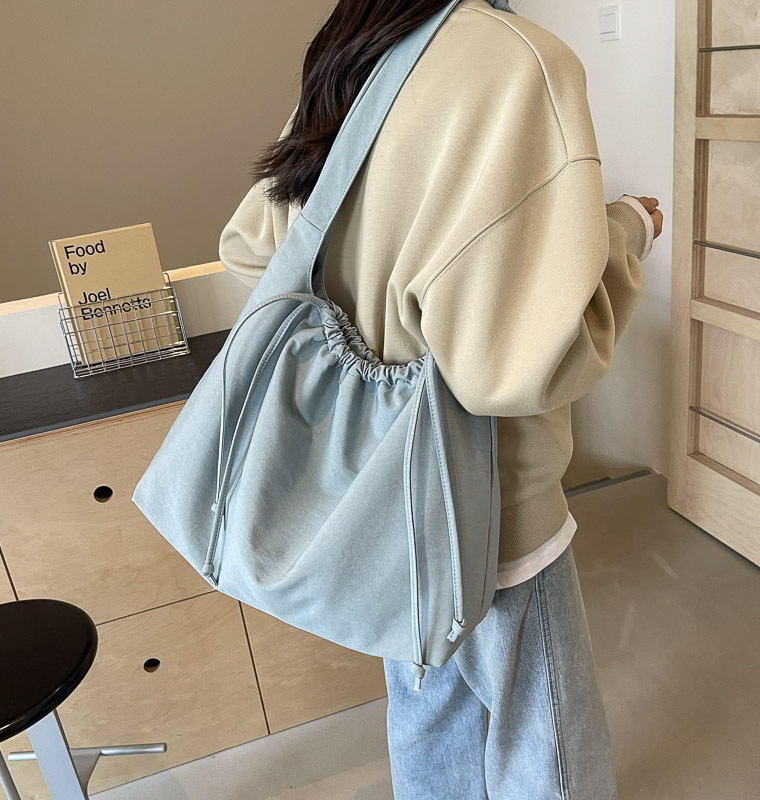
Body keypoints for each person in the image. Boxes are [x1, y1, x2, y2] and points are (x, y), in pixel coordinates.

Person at [218, 0, 663, 797]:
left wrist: (378, 352)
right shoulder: (525, 61)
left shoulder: (359, 45)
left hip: (376, 487)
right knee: (545, 736)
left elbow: (255, 250)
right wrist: (626, 231)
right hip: (490, 493)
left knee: (427, 709)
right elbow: (516, 363)